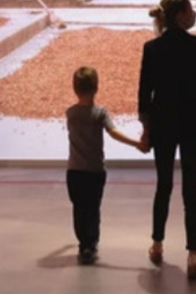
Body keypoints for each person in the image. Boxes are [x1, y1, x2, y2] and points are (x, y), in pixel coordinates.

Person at [138, 0, 196, 280]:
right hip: (193, 126)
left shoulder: (152, 48)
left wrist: (146, 132)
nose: (193, 13)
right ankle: (193, 255)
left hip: (163, 125)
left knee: (163, 186)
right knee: (191, 191)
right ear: (181, 15)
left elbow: (144, 96)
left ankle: (157, 244)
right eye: (190, 9)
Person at [66, 66, 147, 265]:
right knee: (93, 208)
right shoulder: (100, 113)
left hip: (74, 172)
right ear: (96, 88)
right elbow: (114, 132)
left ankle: (83, 243)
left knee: (79, 208)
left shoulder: (70, 113)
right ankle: (90, 245)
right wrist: (137, 143)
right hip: (94, 172)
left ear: (75, 89)